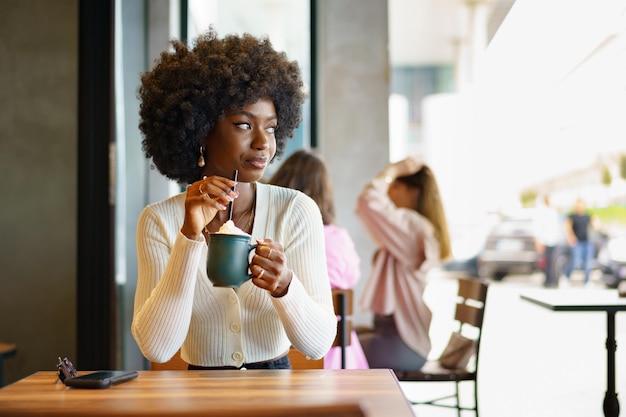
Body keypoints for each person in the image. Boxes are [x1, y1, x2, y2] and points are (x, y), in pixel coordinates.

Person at [131, 28, 337, 370]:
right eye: (244, 125)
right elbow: (157, 348)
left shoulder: (296, 210)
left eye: (270, 127)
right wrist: (188, 238)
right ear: (200, 130)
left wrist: (285, 286)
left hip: (276, 396)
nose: (262, 143)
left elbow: (316, 346)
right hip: (199, 397)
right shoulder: (159, 221)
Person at [268, 148, 369, 369]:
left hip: (293, 349)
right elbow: (352, 277)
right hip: (343, 355)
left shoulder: (275, 234)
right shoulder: (338, 237)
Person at [355, 157, 452, 372]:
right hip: (399, 339)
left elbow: (368, 200)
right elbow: (366, 205)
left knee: (337, 353)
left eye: (396, 186)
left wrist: (393, 169)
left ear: (414, 192)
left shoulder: (413, 227)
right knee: (339, 342)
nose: (389, 192)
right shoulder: (412, 228)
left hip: (404, 344)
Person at [563, 198, 598, 287]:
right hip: (577, 243)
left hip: (587, 242)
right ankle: (565, 277)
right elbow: (567, 227)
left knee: (588, 263)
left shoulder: (587, 216)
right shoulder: (572, 216)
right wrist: (571, 238)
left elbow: (595, 225)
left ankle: (587, 282)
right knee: (576, 262)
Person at [533, 195, 562, 288]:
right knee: (547, 262)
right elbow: (538, 227)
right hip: (545, 241)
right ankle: (548, 280)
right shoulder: (541, 211)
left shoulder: (553, 211)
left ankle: (553, 280)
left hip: (554, 240)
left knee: (553, 262)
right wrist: (539, 241)